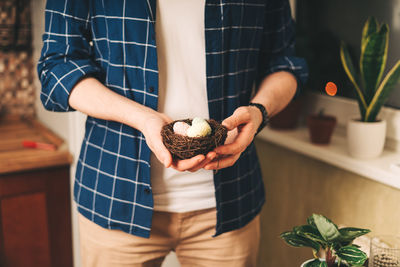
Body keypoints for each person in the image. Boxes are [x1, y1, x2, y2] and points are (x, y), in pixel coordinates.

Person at [38, 0, 307, 266]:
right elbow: (58, 65)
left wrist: (259, 111)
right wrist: (142, 118)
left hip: (229, 202)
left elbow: (284, 63)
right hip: (115, 197)